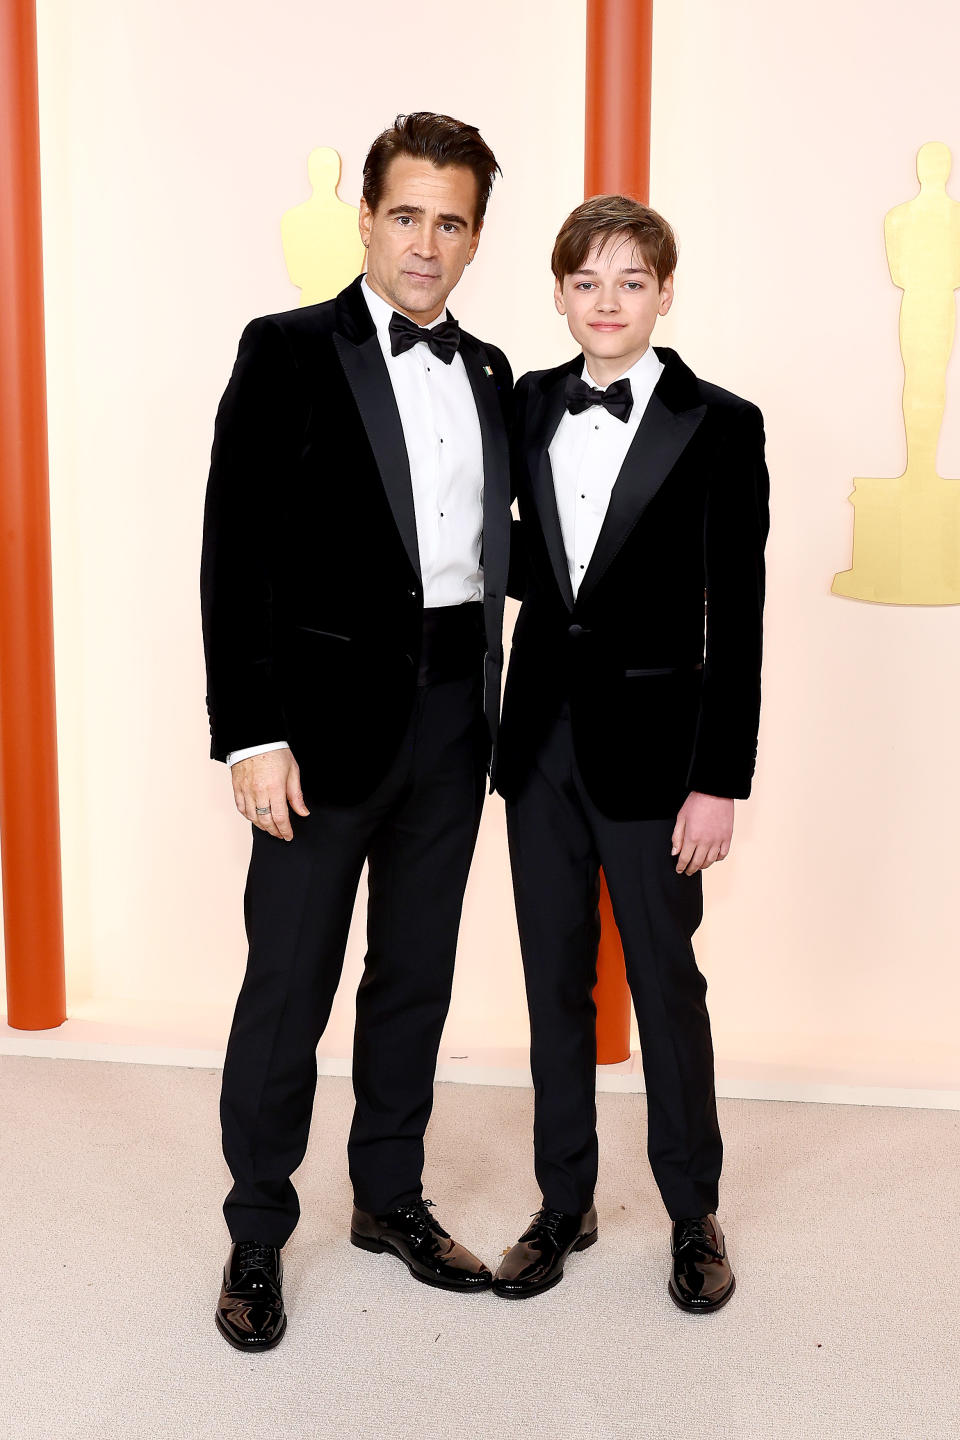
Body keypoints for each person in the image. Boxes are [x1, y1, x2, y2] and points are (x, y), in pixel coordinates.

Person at [200, 112, 513, 1351]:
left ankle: (387, 1198)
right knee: (288, 986)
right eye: (405, 214)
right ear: (366, 219)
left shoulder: (490, 371)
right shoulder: (283, 352)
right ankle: (258, 1229)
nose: (426, 243)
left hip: (455, 711)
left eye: (451, 221)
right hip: (319, 725)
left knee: (415, 979)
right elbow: (236, 555)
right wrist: (250, 734)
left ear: (475, 235)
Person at [493, 194, 769, 1311]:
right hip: (539, 746)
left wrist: (721, 780)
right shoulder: (526, 404)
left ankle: (692, 1211)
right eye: (585, 284)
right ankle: (563, 1203)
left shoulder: (722, 421)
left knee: (665, 984)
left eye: (630, 283)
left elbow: (739, 616)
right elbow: (524, 558)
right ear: (559, 293)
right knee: (551, 983)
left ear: (666, 292)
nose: (607, 304)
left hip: (661, 756)